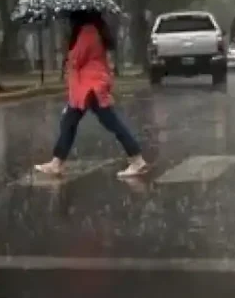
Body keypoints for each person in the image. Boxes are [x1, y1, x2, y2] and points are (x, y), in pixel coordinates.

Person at [35, 11, 149, 178]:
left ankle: (137, 159)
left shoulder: (88, 31)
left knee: (112, 123)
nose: (68, 21)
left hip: (91, 88)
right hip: (85, 87)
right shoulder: (92, 30)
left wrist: (68, 55)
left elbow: (77, 59)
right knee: (69, 123)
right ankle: (57, 162)